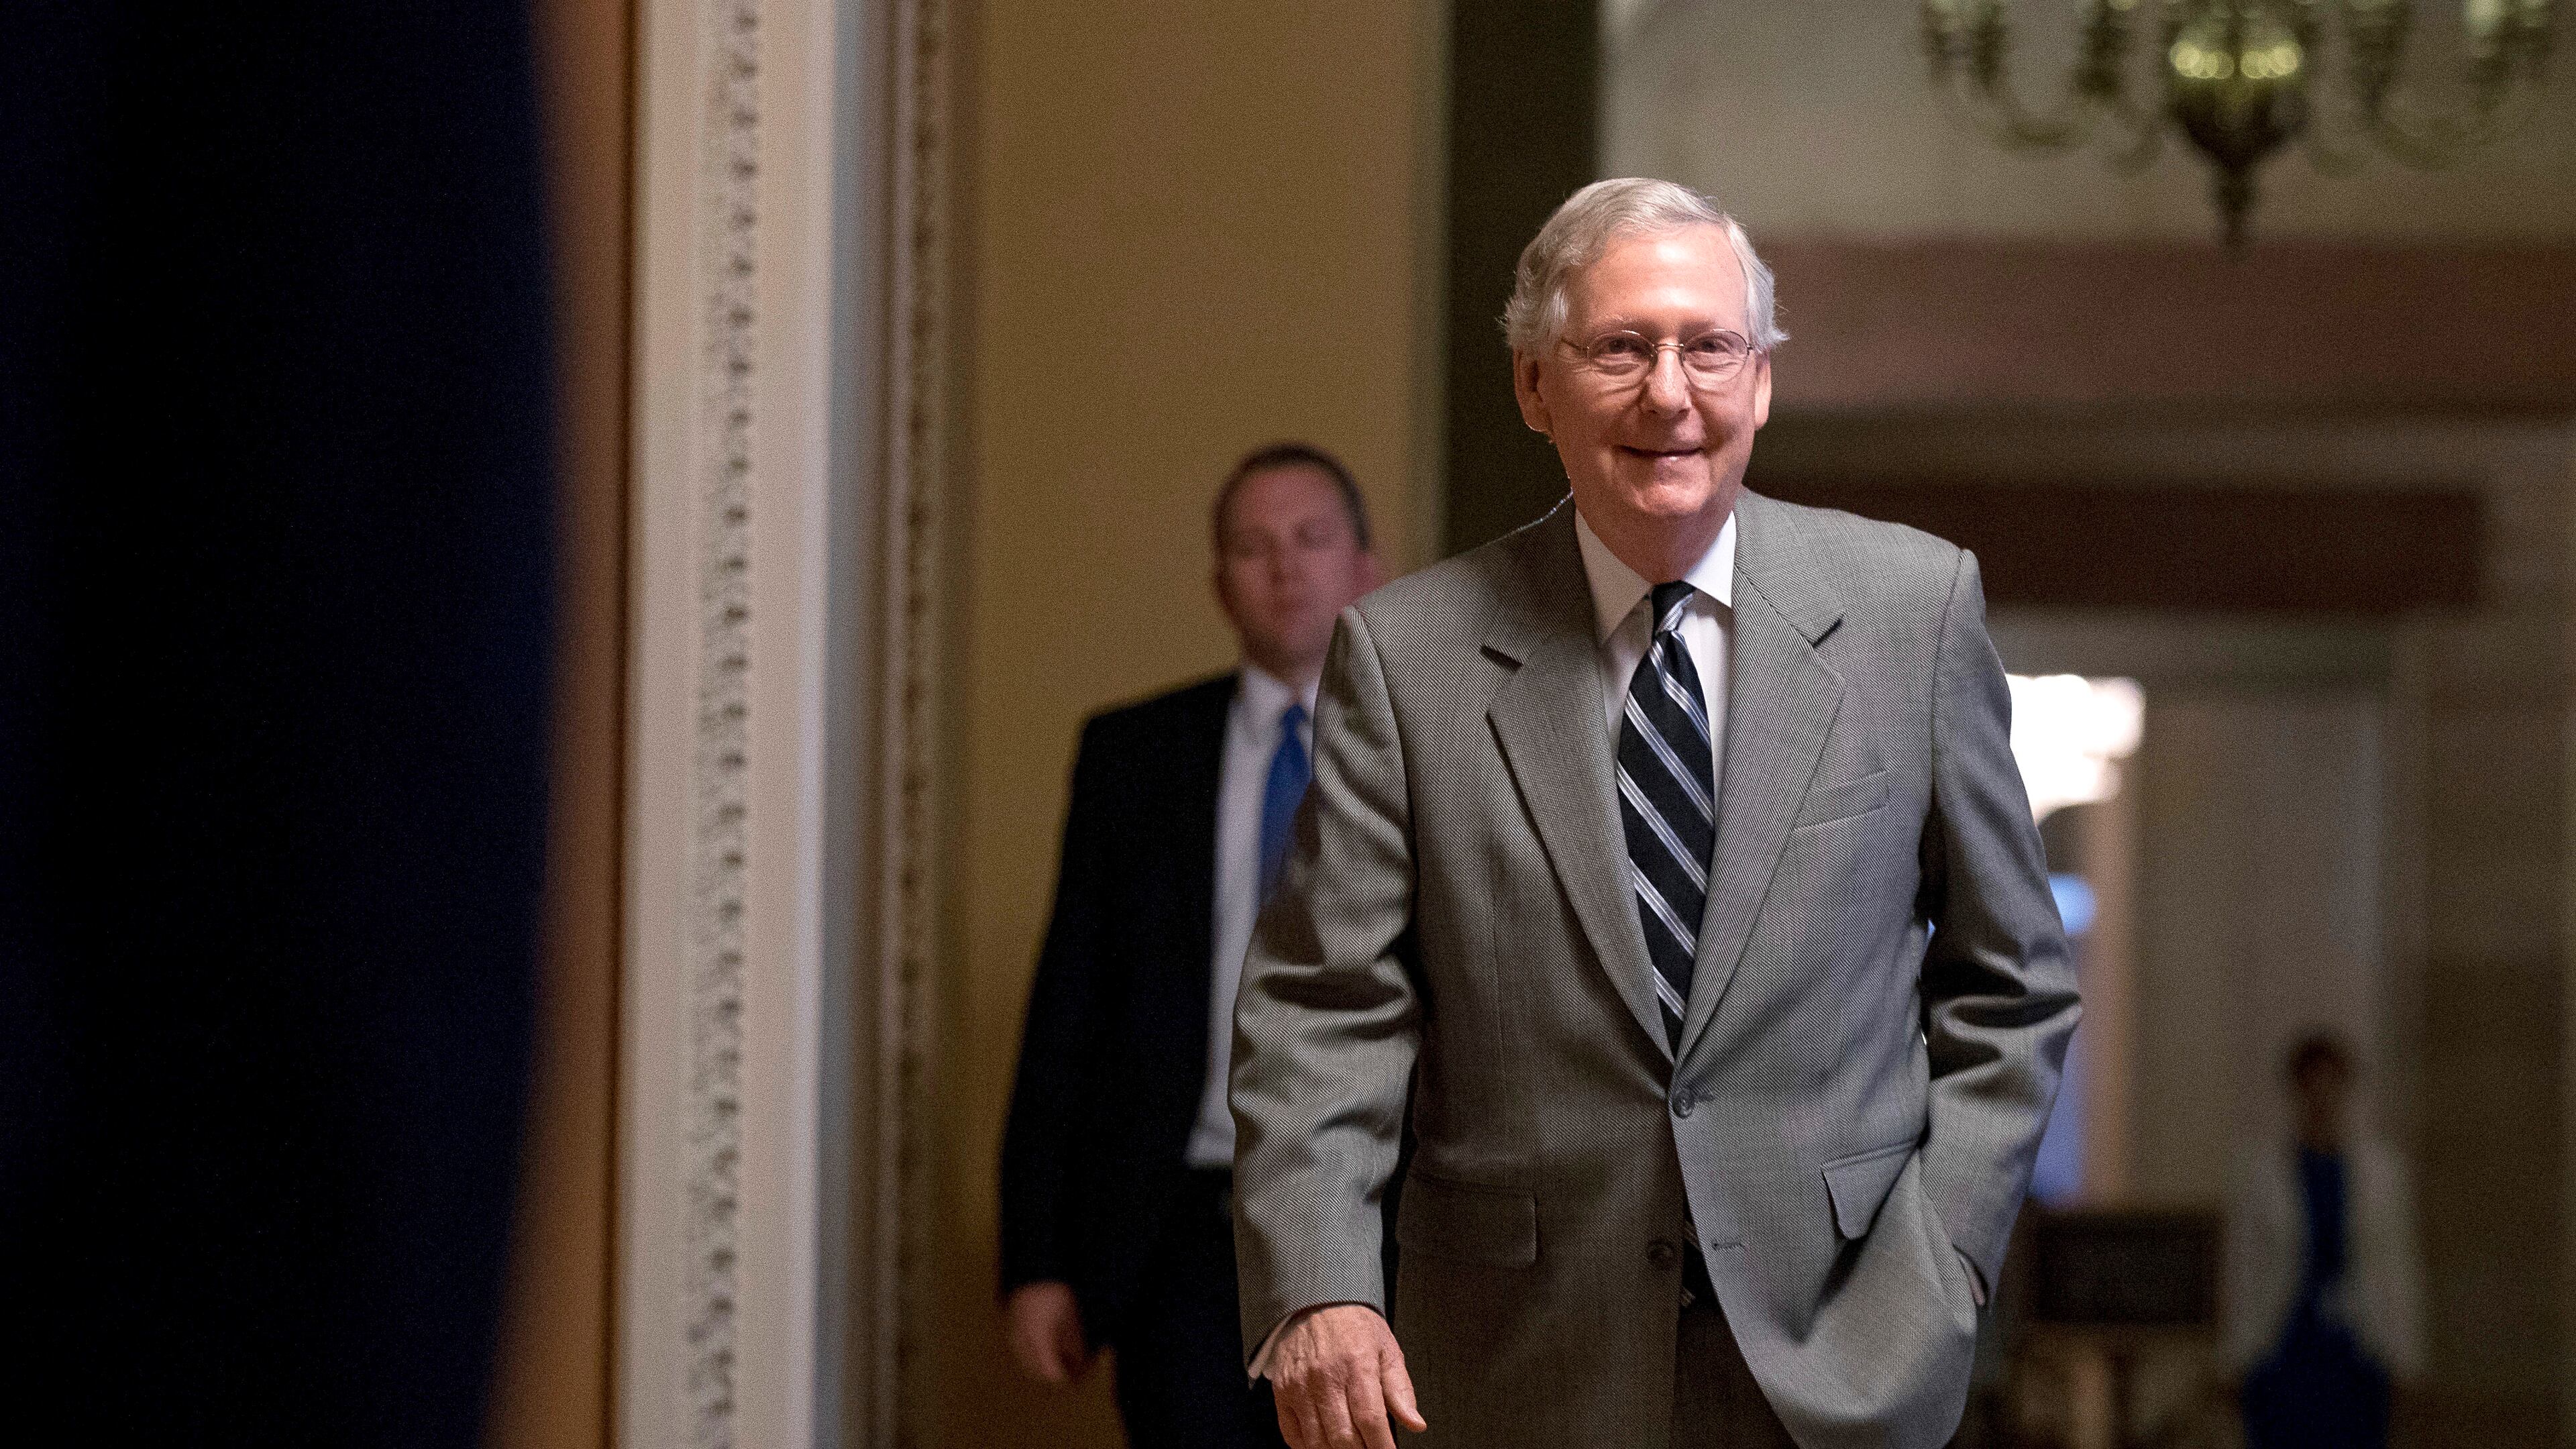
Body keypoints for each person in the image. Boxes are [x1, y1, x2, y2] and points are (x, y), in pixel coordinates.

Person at [1227, 178, 2080, 1449]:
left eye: (1710, 347)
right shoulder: (1408, 658)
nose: (1670, 394)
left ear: (1763, 383)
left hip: (1843, 1355)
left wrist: (1943, 1265)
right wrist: (1323, 1281)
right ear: (1533, 388)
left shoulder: (1915, 611)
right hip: (1518, 1366)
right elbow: (1323, 1012)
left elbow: (2009, 987)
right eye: (1619, 348)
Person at [999, 444, 1383, 1448]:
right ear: (1221, 585)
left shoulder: (1424, 744)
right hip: (1176, 1236)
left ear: (1364, 568)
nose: (1284, 568)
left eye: (1310, 540)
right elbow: (1068, 1011)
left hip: (1377, 1230)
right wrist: (1036, 1259)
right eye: (1253, 548)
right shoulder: (1134, 755)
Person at [2223, 1032, 2426, 1449]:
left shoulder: (2380, 1175)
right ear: (2298, 1091)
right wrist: (2236, 1355)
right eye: (2313, 1086)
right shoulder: (2265, 1175)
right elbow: (2245, 1268)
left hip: (2357, 1345)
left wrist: (2405, 1352)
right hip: (2284, 1342)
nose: (2323, 1098)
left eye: (2332, 1086)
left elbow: (2396, 1266)